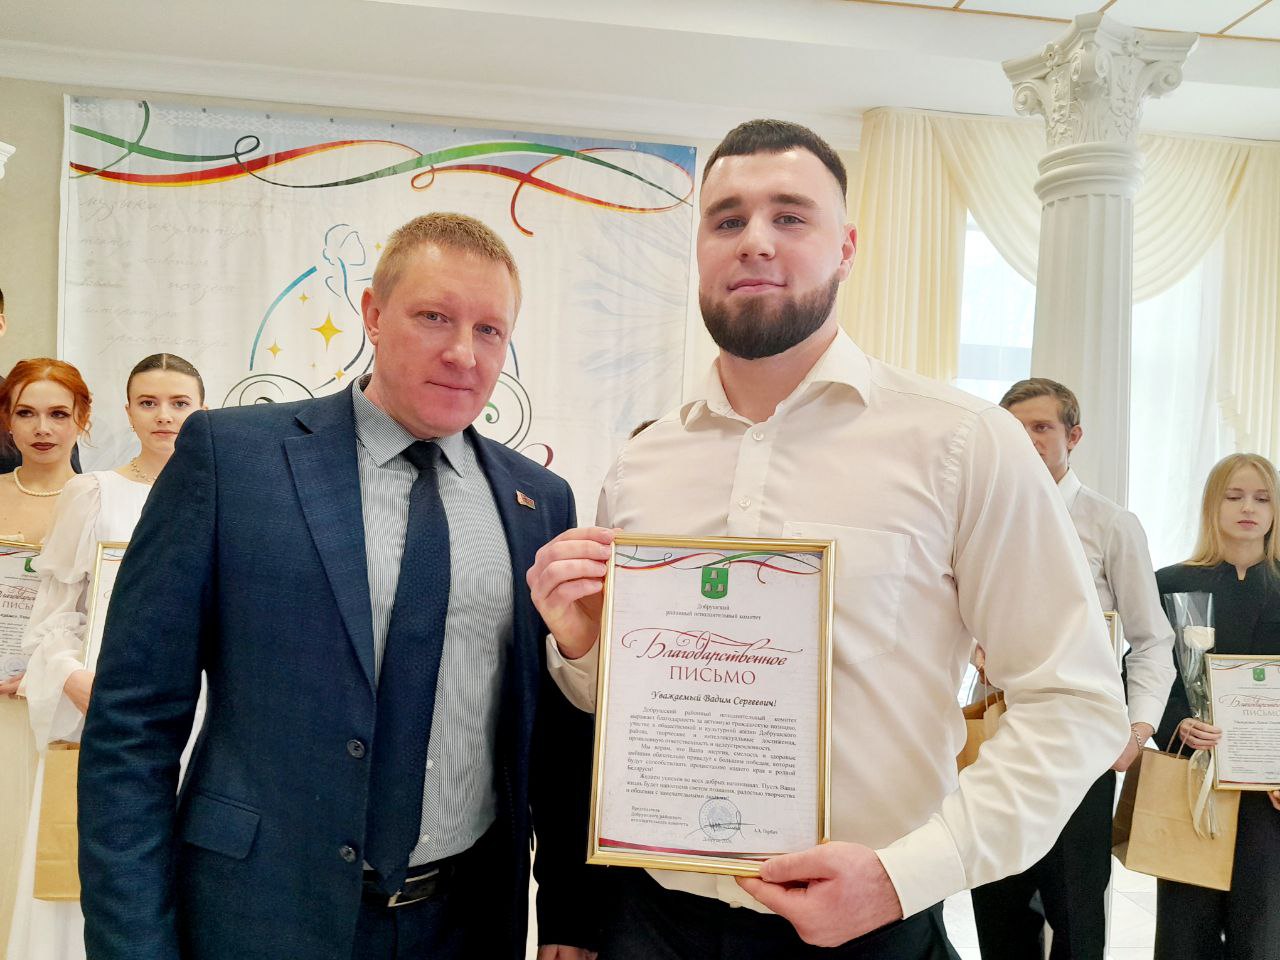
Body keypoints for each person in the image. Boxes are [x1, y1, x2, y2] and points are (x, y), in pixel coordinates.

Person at [527, 119, 1130, 958]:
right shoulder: (643, 463)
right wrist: (585, 646)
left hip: (870, 932)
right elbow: (620, 706)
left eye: (790, 216)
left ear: (846, 247)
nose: (755, 240)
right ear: (700, 250)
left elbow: (1076, 703)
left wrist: (908, 875)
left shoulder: (962, 443)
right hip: (653, 922)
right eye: (727, 220)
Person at [77, 213, 595, 960]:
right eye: (434, 317)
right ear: (373, 315)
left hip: (464, 924)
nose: (463, 352)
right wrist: (132, 945)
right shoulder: (233, 459)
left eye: (489, 330)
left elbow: (553, 731)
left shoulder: (538, 501)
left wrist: (571, 914)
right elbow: (132, 722)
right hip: (259, 918)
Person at [5, 353, 205, 960]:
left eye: (179, 403)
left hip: (202, 718)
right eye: (148, 403)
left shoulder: (231, 498)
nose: (164, 416)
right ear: (127, 411)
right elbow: (53, 617)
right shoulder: (94, 493)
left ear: (204, 411)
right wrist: (70, 675)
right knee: (92, 872)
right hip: (102, 714)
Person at [967, 377, 1175, 960]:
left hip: (1082, 748)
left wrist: (1137, 731)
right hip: (1000, 743)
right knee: (998, 908)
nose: (1028, 439)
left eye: (1042, 427)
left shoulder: (1111, 524)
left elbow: (1151, 639)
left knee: (1077, 916)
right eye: (1015, 430)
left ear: (1073, 436)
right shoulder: (981, 518)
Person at [1152, 453, 1280, 960]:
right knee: (1185, 934)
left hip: (1269, 796)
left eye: (1261, 498)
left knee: (1261, 936)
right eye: (1234, 496)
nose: (1248, 508)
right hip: (1191, 782)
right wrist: (1176, 722)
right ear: (1212, 504)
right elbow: (1142, 674)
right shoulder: (1169, 583)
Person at [0, 358, 92, 951]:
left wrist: (50, 671)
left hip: (59, 709)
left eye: (59, 413)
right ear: (7, 421)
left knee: (40, 857)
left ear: (83, 419)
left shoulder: (99, 499)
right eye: (27, 413)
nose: (43, 428)